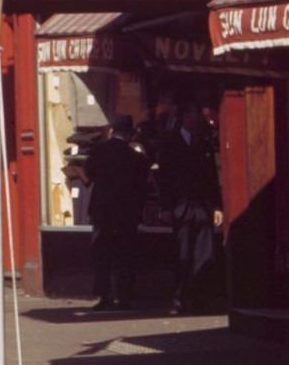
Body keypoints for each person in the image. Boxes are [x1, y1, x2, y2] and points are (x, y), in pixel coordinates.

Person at [157, 101, 223, 315]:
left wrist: (217, 206)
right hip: (182, 207)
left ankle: (198, 298)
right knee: (182, 255)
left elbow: (212, 176)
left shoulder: (203, 143)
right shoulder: (170, 143)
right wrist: (166, 207)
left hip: (202, 207)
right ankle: (179, 299)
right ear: (186, 117)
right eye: (194, 115)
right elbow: (164, 178)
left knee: (205, 255)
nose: (197, 120)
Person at [84, 113, 149, 311]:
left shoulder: (98, 151)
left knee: (103, 254)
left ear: (112, 131)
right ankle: (124, 297)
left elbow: (89, 174)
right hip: (126, 212)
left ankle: (104, 296)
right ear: (129, 134)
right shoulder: (136, 157)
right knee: (125, 255)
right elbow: (142, 186)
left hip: (103, 211)